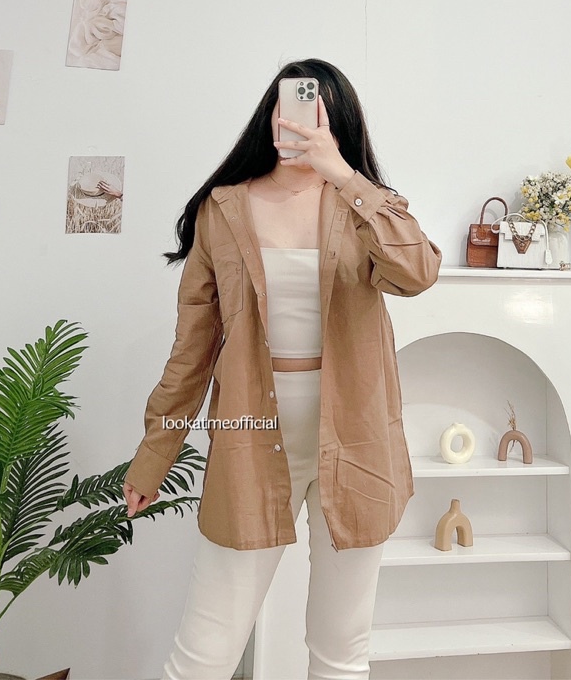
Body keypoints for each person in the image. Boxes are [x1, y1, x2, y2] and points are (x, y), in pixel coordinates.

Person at [122, 58, 442, 680]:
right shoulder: (223, 209)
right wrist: (155, 452)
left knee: (341, 650)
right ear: (269, 116)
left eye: (317, 114)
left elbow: (418, 273)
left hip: (357, 439)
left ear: (338, 125)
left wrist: (342, 174)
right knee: (205, 649)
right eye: (287, 108)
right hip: (250, 436)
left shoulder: (364, 207)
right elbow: (193, 348)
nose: (296, 123)